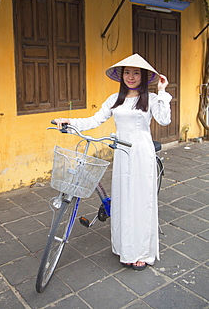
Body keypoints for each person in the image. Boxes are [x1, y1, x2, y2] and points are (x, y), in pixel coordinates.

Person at [55, 53, 172, 271]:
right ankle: (125, 248)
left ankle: (141, 252)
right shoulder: (114, 99)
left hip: (141, 153)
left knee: (140, 202)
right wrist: (69, 121)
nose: (131, 76)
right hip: (121, 154)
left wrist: (163, 91)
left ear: (144, 76)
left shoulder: (151, 99)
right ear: (121, 75)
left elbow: (165, 120)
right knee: (123, 200)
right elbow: (94, 119)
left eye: (136, 73)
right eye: (127, 72)